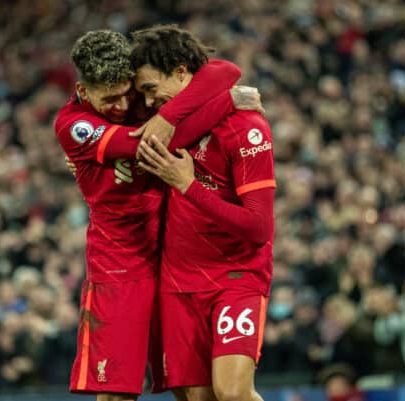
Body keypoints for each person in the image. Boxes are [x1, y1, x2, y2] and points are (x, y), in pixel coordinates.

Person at [53, 29, 262, 401]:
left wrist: (169, 115)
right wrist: (226, 103)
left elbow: (225, 70)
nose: (121, 107)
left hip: (175, 261)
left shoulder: (143, 97)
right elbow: (150, 146)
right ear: (85, 92)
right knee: (117, 393)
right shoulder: (74, 125)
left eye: (126, 93)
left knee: (195, 392)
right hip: (121, 264)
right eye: (109, 99)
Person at [132, 25, 275, 401]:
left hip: (236, 276)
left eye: (151, 88)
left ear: (181, 73)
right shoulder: (165, 128)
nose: (148, 103)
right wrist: (226, 100)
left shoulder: (248, 127)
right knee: (199, 399)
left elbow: (259, 227)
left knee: (232, 394)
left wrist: (188, 186)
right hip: (178, 283)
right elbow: (224, 76)